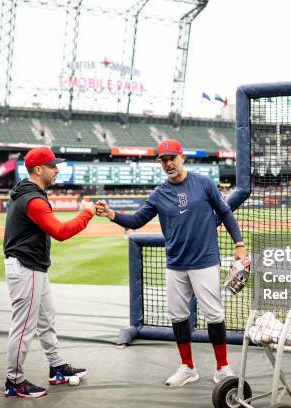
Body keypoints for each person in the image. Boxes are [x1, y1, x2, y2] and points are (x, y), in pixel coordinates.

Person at [95, 139, 246, 387]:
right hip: (175, 264)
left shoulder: (203, 183)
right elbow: (136, 221)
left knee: (214, 315)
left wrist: (238, 245)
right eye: (163, 160)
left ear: (181, 158)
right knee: (177, 317)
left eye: (171, 158)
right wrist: (112, 215)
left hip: (205, 261)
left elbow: (225, 212)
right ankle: (188, 367)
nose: (168, 164)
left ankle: (222, 368)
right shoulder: (159, 193)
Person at [3, 147, 94, 398]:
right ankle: (15, 380)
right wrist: (86, 213)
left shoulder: (30, 193)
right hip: (26, 268)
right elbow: (61, 232)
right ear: (39, 169)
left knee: (46, 320)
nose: (57, 170)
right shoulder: (32, 199)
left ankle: (57, 367)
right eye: (53, 166)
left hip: (33, 268)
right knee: (23, 328)